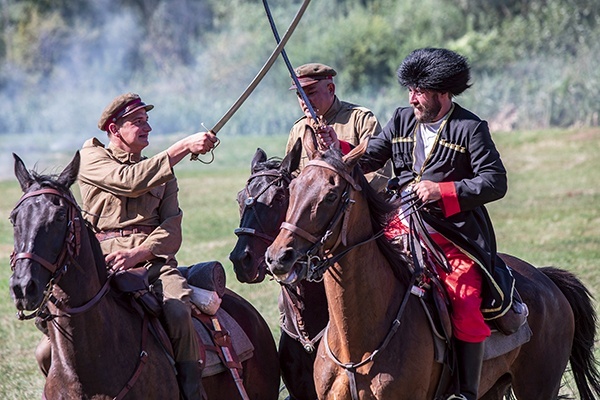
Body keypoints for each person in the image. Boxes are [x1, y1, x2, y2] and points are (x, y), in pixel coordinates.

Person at [319, 48, 515, 400]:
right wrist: (340, 148)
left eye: (419, 91)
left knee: (465, 298)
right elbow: (372, 157)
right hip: (399, 226)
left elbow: (495, 181)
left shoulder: (470, 128)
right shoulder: (400, 119)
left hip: (452, 236)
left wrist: (442, 190)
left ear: (443, 92)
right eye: (409, 90)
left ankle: (465, 391)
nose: (412, 98)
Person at [78, 92, 218, 400]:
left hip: (152, 264)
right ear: (114, 129)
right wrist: (183, 146)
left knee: (178, 308)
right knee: (57, 327)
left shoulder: (163, 174)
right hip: (101, 264)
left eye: (147, 120)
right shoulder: (91, 157)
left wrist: (138, 254)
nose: (147, 128)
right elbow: (128, 180)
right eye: (138, 122)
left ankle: (190, 387)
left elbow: (172, 228)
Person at [286, 62, 392, 192]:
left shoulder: (360, 118)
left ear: (330, 89)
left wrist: (350, 197)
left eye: (311, 93)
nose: (304, 101)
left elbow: (381, 172)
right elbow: (291, 176)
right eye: (300, 95)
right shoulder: (298, 130)